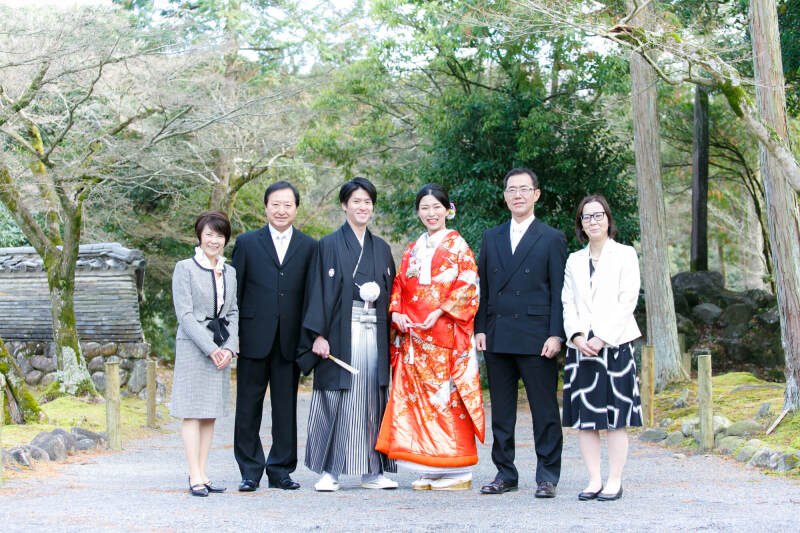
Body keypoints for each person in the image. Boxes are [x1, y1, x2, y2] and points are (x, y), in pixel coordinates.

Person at [375, 184, 484, 491]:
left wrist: (442, 311)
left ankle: (457, 469)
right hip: (414, 339)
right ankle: (430, 467)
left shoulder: (459, 247)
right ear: (419, 212)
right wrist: (395, 310)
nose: (431, 213)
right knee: (419, 403)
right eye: (425, 207)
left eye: (437, 207)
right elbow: (399, 284)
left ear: (449, 210)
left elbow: (468, 285)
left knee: (446, 399)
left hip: (445, 335)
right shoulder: (412, 249)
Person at [296, 177, 398, 492]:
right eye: (356, 201)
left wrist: (396, 328)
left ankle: (373, 471)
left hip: (374, 332)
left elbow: (394, 294)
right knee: (335, 397)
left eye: (367, 201)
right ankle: (330, 470)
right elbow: (316, 290)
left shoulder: (380, 247)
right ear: (344, 205)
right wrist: (318, 335)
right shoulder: (327, 245)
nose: (362, 207)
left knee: (373, 399)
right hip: (340, 333)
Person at [475, 167, 566, 498]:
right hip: (498, 333)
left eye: (524, 189)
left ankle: (547, 475)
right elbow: (484, 288)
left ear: (536, 194)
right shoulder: (491, 236)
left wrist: (556, 334)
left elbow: (558, 291)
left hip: (537, 334)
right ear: (505, 196)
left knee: (544, 408)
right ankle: (505, 472)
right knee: (501, 409)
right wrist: (480, 329)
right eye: (511, 189)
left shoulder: (552, 237)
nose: (517, 195)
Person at [231, 181, 316, 492]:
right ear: (266, 207)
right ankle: (250, 470)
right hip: (252, 336)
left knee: (285, 407)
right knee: (247, 406)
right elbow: (234, 293)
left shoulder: (309, 246)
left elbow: (311, 295)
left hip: (290, 339)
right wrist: (233, 334)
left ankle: (280, 470)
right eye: (276, 204)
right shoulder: (247, 243)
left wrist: (309, 337)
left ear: (296, 209)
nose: (281, 210)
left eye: (288, 205)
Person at [561, 194, 642, 501]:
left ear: (608, 219)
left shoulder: (625, 254)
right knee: (586, 419)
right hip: (581, 349)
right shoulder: (574, 260)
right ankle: (593, 479)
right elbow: (567, 302)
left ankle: (614, 479)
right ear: (580, 224)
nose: (593, 221)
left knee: (616, 418)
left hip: (616, 345)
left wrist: (603, 336)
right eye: (586, 217)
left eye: (598, 215)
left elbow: (627, 300)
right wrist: (578, 336)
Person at [170, 210, 238, 497]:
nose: (214, 240)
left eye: (219, 235)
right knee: (192, 412)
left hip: (221, 347)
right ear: (199, 236)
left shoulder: (230, 271)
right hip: (193, 347)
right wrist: (211, 349)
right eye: (209, 234)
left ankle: (203, 472)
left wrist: (229, 348)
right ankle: (193, 474)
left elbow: (233, 312)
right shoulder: (184, 268)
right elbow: (184, 315)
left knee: (210, 414)